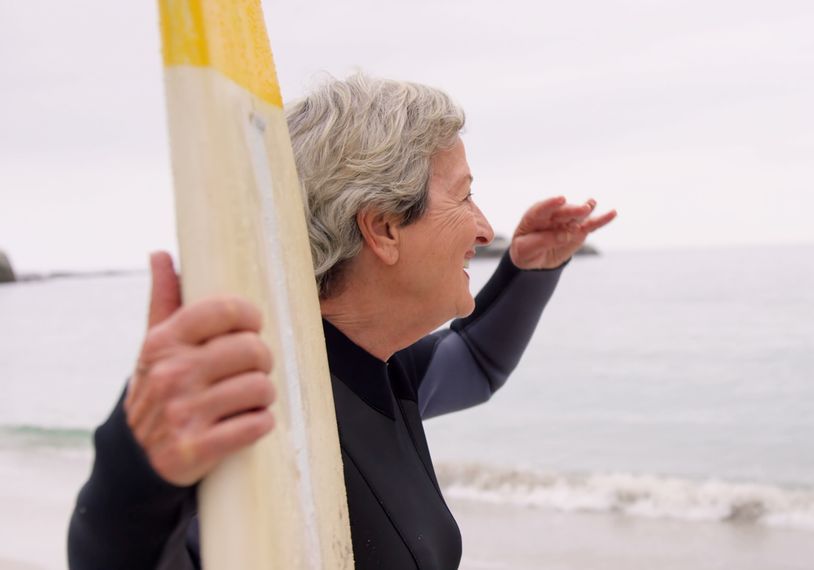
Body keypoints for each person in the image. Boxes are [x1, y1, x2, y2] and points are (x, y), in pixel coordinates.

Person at [67, 74, 615, 569]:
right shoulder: (268, 405)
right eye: (464, 196)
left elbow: (475, 363)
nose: (484, 227)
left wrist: (530, 270)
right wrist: (135, 465)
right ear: (382, 228)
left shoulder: (379, 366)